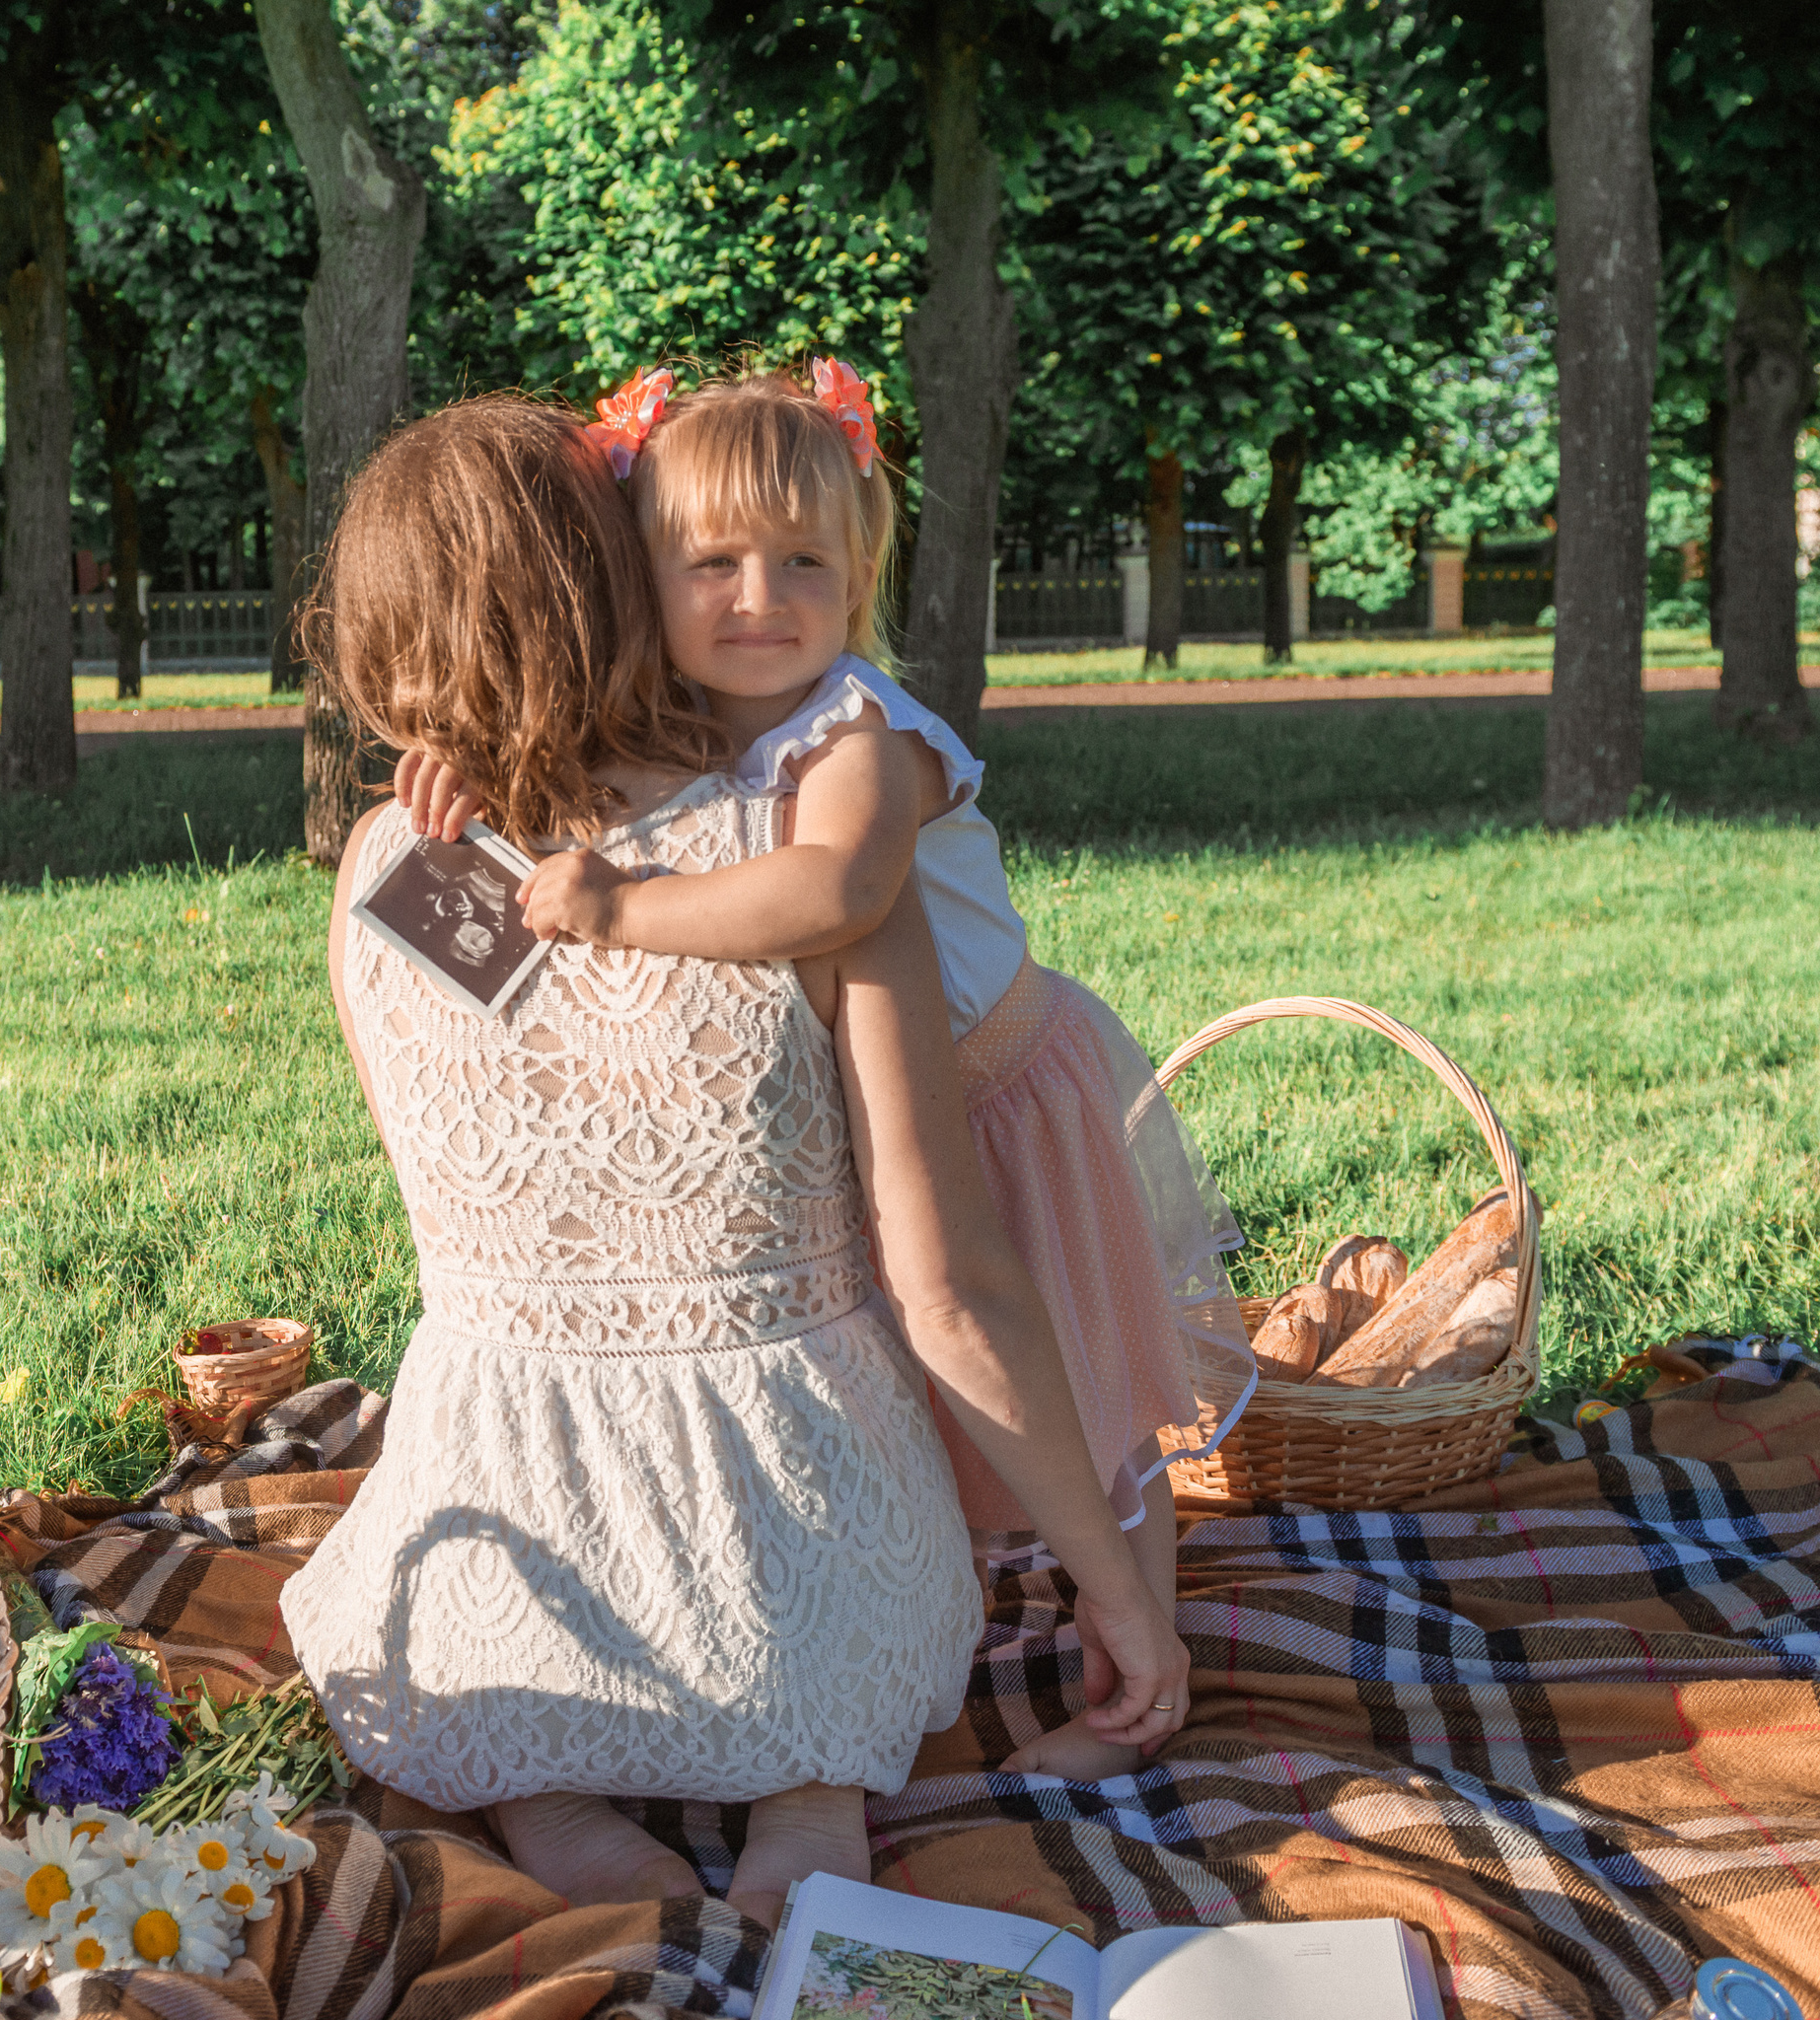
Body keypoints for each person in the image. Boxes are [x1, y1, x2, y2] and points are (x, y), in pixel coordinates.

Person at [280, 395, 1191, 1931]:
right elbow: (952, 1290)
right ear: (626, 574)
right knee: (830, 1561)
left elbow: (464, 1230)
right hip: (804, 1564)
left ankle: (552, 1795)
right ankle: (807, 1793)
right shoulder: (811, 873)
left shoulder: (386, 867)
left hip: (498, 1567)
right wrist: (1114, 1586)